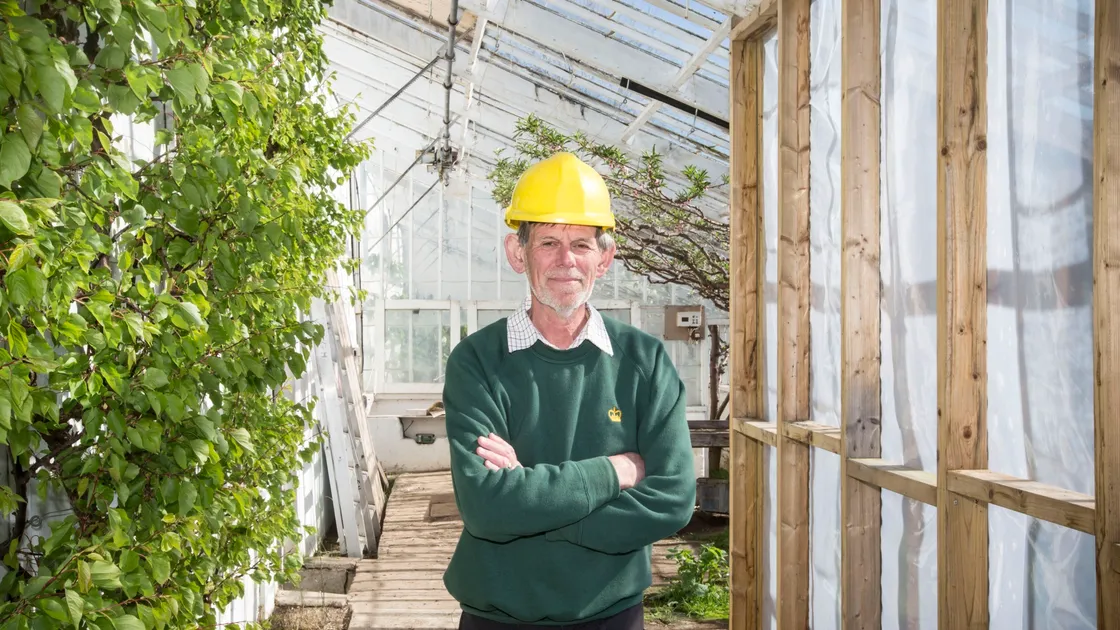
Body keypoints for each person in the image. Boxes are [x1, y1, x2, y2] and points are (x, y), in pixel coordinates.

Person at [441, 152, 697, 629]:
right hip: (497, 616)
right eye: (548, 242)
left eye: (581, 243)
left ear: (605, 258)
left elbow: (674, 498)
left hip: (611, 614)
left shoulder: (644, 361)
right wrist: (614, 471)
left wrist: (535, 504)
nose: (566, 261)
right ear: (517, 253)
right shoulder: (477, 362)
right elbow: (487, 507)